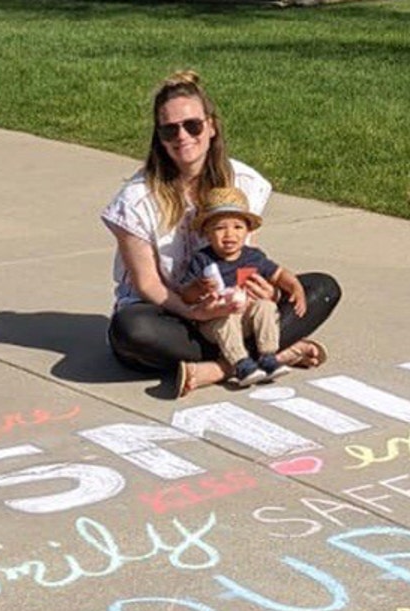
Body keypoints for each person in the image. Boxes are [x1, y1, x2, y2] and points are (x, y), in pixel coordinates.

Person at [101, 70, 341, 396]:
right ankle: (270, 355)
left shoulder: (242, 181)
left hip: (231, 310)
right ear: (159, 136)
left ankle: (218, 369)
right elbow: (148, 285)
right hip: (169, 312)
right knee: (130, 330)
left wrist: (264, 292)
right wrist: (194, 311)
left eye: (192, 125)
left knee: (321, 289)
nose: (182, 136)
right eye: (169, 129)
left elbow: (241, 257)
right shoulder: (136, 198)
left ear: (211, 126)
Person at [180, 187, 305, 387]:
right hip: (214, 322)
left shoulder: (253, 257)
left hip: (245, 319)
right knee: (226, 317)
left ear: (248, 231)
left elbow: (279, 274)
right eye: (220, 228)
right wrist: (198, 287)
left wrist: (295, 287)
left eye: (238, 227)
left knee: (266, 306)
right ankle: (241, 364)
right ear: (207, 233)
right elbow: (185, 295)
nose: (229, 234)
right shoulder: (202, 260)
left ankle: (268, 357)